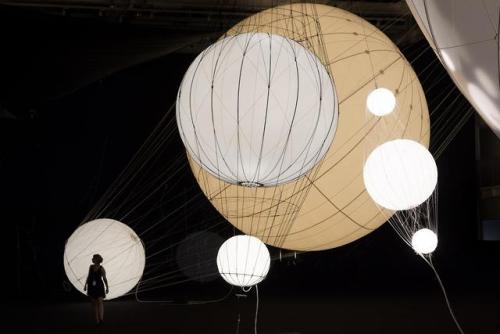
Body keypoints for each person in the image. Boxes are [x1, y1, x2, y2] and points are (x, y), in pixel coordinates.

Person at [84, 254, 109, 325]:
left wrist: (107, 287)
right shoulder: (91, 267)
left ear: (96, 260)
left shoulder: (102, 268)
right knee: (94, 303)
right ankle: (97, 320)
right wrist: (85, 285)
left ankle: (101, 319)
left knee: (100, 302)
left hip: (99, 286)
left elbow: (104, 278)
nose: (92, 259)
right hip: (91, 286)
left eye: (93, 258)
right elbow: (88, 276)